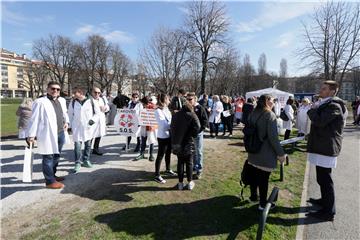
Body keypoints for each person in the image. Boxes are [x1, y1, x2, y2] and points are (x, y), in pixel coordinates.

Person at [306, 80, 347, 221]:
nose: (321, 91)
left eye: (324, 89)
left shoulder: (334, 105)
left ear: (332, 91)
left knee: (325, 180)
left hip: (327, 147)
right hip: (322, 146)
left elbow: (320, 121)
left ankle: (329, 212)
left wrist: (311, 110)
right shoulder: (326, 104)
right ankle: (324, 201)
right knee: (321, 177)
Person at [246, 94, 286, 210]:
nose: (273, 102)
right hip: (265, 152)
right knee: (263, 179)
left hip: (252, 150)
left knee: (254, 175)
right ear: (267, 101)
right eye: (272, 100)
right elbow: (273, 138)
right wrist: (281, 154)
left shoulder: (253, 112)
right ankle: (262, 204)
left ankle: (253, 196)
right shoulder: (270, 115)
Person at [27, 81, 69, 189]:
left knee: (56, 155)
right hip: (47, 134)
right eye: (53, 89)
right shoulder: (40, 102)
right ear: (48, 89)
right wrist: (31, 135)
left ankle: (53, 175)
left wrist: (66, 122)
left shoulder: (62, 100)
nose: (55, 91)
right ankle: (49, 181)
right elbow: (34, 119)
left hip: (60, 133)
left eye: (57, 89)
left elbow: (64, 113)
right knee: (48, 156)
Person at [68, 87, 100, 173]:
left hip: (88, 127)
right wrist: (70, 126)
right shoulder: (73, 102)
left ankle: (86, 160)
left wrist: (92, 121)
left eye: (75, 93)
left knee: (88, 145)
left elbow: (97, 114)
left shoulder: (92, 101)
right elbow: (70, 114)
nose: (73, 94)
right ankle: (77, 163)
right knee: (77, 145)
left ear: (80, 92)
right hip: (77, 127)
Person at [171, 99, 200, 190]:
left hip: (178, 142)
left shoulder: (175, 115)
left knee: (180, 163)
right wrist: (192, 134)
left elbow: (172, 128)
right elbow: (198, 126)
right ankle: (190, 182)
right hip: (188, 141)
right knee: (189, 162)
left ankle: (180, 183)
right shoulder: (191, 114)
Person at [154, 93, 177, 184]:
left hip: (169, 134)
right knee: (160, 155)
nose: (169, 101)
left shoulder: (166, 109)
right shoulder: (158, 111)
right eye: (168, 99)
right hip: (162, 135)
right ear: (164, 100)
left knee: (168, 153)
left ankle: (168, 169)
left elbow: (170, 120)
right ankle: (157, 175)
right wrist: (173, 125)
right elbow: (163, 126)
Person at [188, 92, 208, 179]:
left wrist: (199, 130)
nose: (188, 101)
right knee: (192, 151)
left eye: (190, 99)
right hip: (189, 134)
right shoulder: (187, 108)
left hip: (198, 134)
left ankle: (199, 170)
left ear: (195, 99)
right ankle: (193, 167)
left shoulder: (200, 108)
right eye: (187, 99)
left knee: (198, 151)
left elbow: (205, 120)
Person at [134, 96, 156, 161]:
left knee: (151, 140)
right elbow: (137, 113)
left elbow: (154, 115)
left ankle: (151, 155)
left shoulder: (152, 106)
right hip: (143, 125)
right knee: (143, 140)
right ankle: (142, 154)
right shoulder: (140, 106)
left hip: (150, 126)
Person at [91, 87, 109, 155]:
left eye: (99, 93)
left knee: (99, 135)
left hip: (101, 120)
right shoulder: (90, 100)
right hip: (93, 121)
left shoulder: (102, 99)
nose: (97, 94)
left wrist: (105, 108)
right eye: (95, 92)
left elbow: (107, 107)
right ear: (92, 92)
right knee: (91, 136)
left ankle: (96, 148)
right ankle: (87, 150)